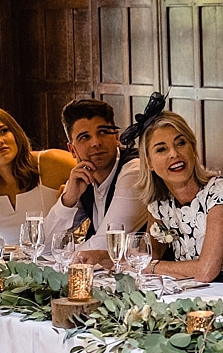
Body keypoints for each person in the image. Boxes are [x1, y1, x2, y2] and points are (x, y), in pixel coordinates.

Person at [139, 109, 223, 283]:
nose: (174, 153)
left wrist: (151, 267)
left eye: (180, 143)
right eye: (161, 149)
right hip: (190, 298)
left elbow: (206, 271)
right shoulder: (160, 205)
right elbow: (142, 257)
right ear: (149, 163)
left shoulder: (221, 191)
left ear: (193, 149)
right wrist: (103, 257)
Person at [43, 98, 147, 267]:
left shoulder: (134, 171)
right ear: (72, 149)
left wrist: (60, 258)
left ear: (116, 137)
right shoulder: (83, 177)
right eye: (84, 137)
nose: (96, 142)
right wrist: (69, 198)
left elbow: (105, 245)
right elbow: (44, 245)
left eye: (103, 132)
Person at [0, 105, 75, 245]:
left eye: (3, 131)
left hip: (57, 264)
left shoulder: (49, 162)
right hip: (9, 266)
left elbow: (100, 177)